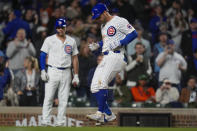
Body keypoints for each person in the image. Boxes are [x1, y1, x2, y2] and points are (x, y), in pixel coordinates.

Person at [87, 3, 137, 123]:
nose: (98, 20)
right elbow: (107, 41)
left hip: (117, 55)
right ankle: (109, 114)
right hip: (106, 56)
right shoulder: (103, 26)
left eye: (98, 17)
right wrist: (97, 45)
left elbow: (134, 34)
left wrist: (121, 42)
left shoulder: (119, 20)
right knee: (94, 87)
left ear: (105, 12)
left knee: (102, 82)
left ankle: (100, 113)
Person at [40, 18, 79, 126]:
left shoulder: (71, 41)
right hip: (52, 70)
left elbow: (75, 58)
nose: (60, 29)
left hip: (66, 71)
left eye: (62, 27)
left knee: (64, 99)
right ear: (56, 28)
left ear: (66, 27)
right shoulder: (49, 39)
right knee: (48, 97)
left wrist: (76, 75)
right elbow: (43, 55)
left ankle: (60, 122)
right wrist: (43, 70)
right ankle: (45, 121)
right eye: (58, 27)